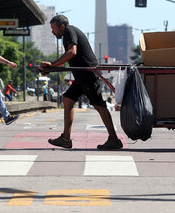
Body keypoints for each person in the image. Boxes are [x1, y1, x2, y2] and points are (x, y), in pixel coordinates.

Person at [41, 15, 122, 150]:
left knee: (99, 105)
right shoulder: (68, 33)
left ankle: (114, 139)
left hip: (88, 74)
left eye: (53, 28)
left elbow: (72, 52)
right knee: (67, 99)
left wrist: (53, 64)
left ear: (62, 26)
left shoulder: (69, 32)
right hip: (81, 76)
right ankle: (66, 139)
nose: (52, 32)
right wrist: (52, 67)